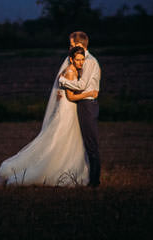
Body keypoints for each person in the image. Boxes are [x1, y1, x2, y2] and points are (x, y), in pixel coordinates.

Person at [0, 45, 97, 187]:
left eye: (82, 60)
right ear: (71, 60)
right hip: (68, 109)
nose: (81, 63)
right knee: (61, 140)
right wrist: (89, 93)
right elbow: (71, 96)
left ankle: (67, 167)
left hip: (69, 108)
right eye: (78, 60)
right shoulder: (70, 72)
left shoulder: (72, 71)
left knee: (67, 141)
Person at [56, 30, 101, 188]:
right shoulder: (81, 60)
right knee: (86, 141)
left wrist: (63, 82)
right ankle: (88, 176)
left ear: (79, 44)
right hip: (84, 103)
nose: (70, 47)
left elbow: (81, 85)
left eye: (72, 44)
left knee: (91, 142)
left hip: (88, 104)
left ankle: (94, 181)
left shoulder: (88, 61)